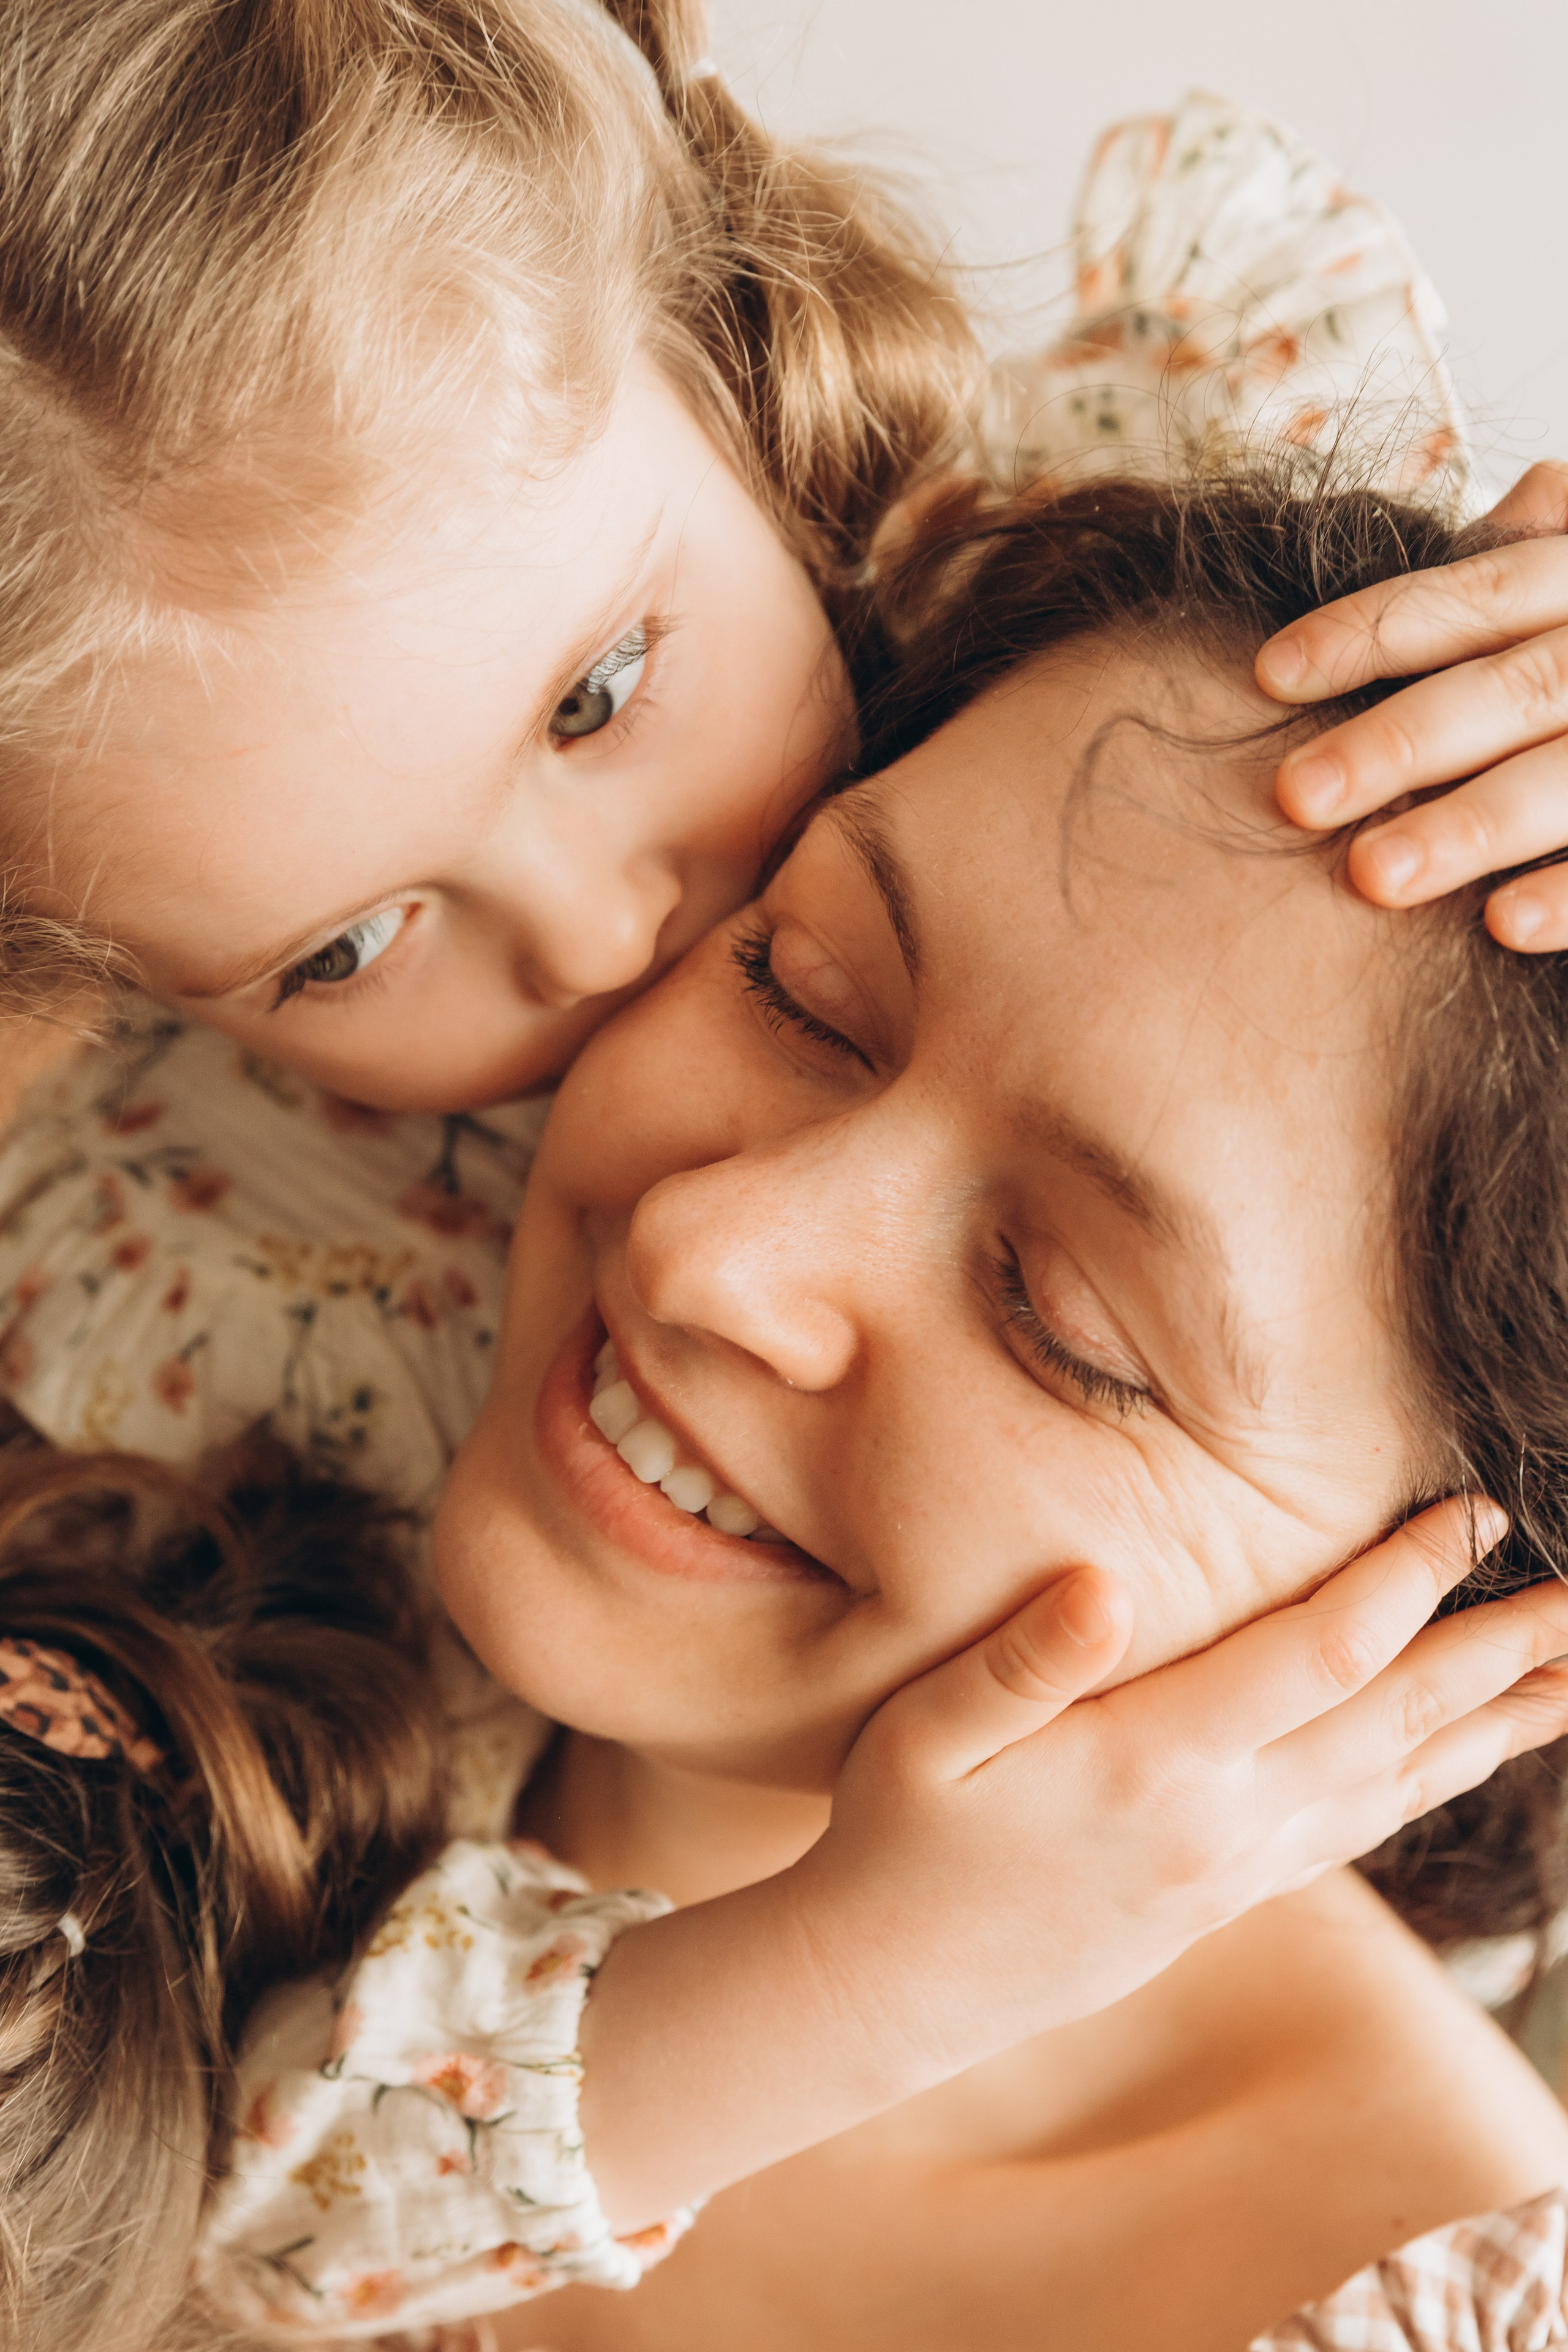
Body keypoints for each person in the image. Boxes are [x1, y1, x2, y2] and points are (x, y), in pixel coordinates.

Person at [403, 463, 1568, 2348]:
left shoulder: (1431, 2302)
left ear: (1480, 1637)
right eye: (804, 991)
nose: (707, 1253)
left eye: (1060, 1318)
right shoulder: (198, 1297)